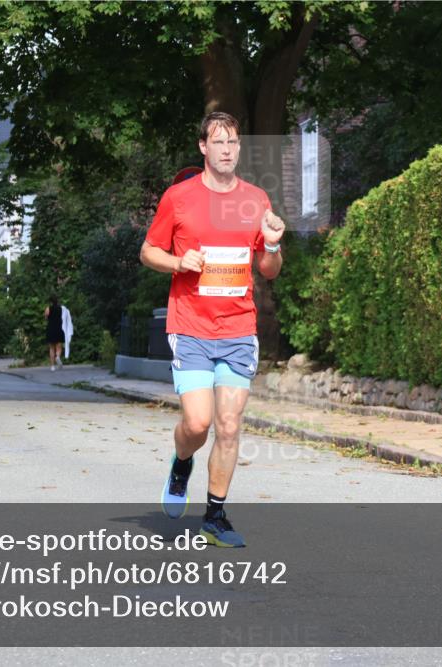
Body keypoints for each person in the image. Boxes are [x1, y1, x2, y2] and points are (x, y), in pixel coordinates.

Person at [139, 111, 285, 547]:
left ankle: (215, 517)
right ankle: (182, 461)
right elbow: (148, 251)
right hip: (191, 327)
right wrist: (177, 261)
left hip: (239, 328)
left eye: (234, 143)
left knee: (227, 425)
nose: (227, 150)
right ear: (203, 147)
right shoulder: (178, 198)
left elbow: (269, 270)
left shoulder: (256, 200)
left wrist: (274, 243)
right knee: (198, 423)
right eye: (218, 143)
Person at [44, 296, 64, 371]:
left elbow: (46, 317)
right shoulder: (61, 308)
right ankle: (58, 356)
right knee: (59, 347)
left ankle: (52, 366)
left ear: (50, 302)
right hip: (59, 328)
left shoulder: (48, 308)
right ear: (57, 301)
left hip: (51, 329)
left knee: (52, 348)